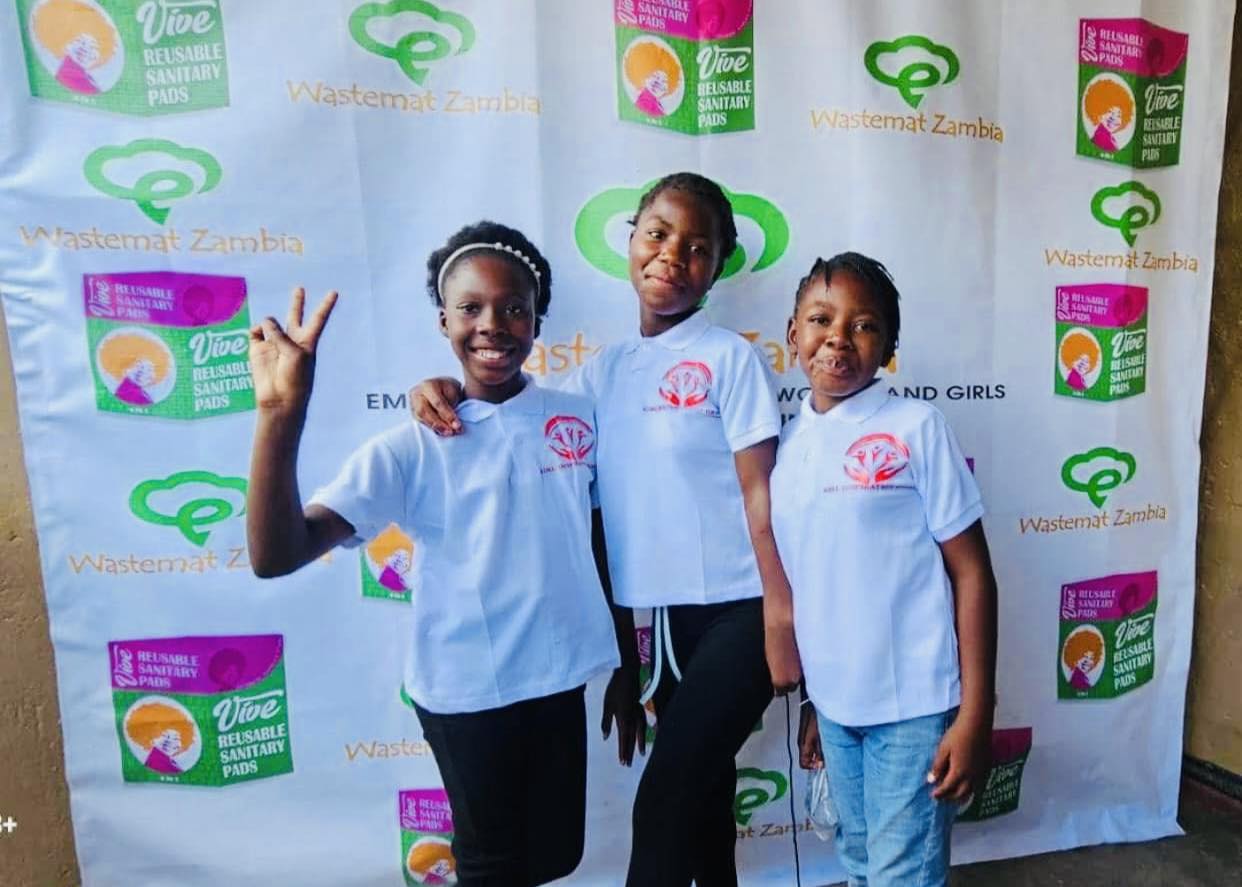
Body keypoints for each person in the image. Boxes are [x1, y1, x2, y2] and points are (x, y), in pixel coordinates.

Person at [410, 173, 802, 887]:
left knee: (661, 805)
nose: (671, 255)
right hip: (663, 627)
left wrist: (781, 617)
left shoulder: (729, 358)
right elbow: (564, 485)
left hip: (744, 613)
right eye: (657, 233)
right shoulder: (600, 377)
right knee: (705, 800)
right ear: (631, 240)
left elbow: (760, 496)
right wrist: (433, 390)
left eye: (697, 246)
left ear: (717, 268)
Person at [245, 222, 624, 886]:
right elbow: (277, 554)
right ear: (443, 319)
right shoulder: (413, 444)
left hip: (559, 675)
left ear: (538, 321)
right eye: (472, 308)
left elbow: (600, 538)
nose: (493, 324)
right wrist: (281, 414)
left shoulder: (579, 415)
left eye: (514, 308)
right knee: (492, 867)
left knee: (555, 856)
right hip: (469, 687)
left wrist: (626, 657)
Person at [783, 253, 998, 887]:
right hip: (837, 703)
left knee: (903, 873)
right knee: (857, 862)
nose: (838, 339)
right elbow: (818, 582)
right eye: (821, 319)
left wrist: (976, 710)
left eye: (865, 325)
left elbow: (973, 574)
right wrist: (815, 703)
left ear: (890, 350)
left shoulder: (915, 427)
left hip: (915, 705)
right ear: (793, 334)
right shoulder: (790, 445)